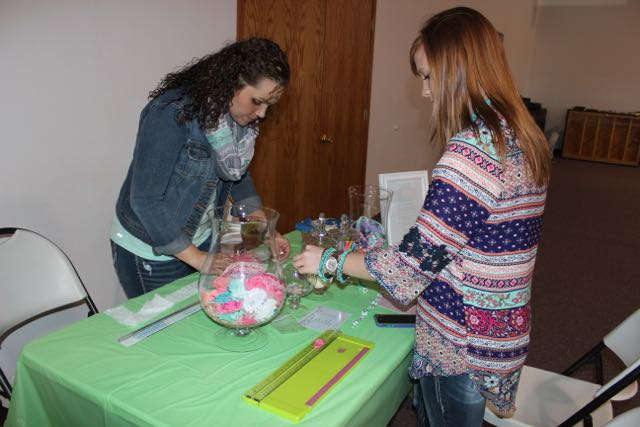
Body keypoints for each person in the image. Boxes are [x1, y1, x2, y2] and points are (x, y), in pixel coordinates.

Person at [293, 7, 551, 427]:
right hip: (499, 324)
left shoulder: (472, 154)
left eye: (429, 76)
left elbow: (410, 268)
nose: (426, 91)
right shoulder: (519, 135)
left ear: (459, 70)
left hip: (460, 341)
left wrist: (328, 260)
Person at [111, 37, 291, 299]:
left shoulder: (237, 118)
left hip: (199, 239)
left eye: (268, 106)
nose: (262, 114)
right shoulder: (171, 113)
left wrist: (265, 229)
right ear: (232, 82)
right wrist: (197, 258)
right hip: (149, 246)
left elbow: (236, 174)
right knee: (165, 335)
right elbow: (145, 200)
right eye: (257, 101)